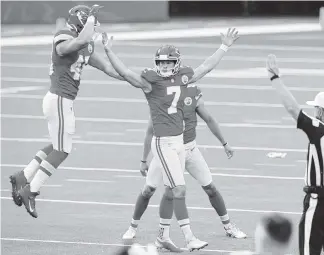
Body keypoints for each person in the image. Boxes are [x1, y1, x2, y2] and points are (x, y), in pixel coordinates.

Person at [101, 28, 239, 251]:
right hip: (164, 143)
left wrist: (224, 47)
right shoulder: (150, 83)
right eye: (161, 63)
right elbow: (126, 73)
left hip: (180, 143)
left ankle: (163, 236)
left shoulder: (183, 78)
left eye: (168, 63)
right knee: (177, 190)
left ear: (176, 63)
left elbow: (205, 67)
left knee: (171, 190)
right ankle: (188, 237)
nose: (164, 66)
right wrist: (108, 51)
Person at [10, 4, 127, 218]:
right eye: (89, 23)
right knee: (63, 150)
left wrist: (131, 76)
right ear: (80, 21)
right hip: (59, 99)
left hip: (62, 101)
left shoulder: (85, 45)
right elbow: (78, 41)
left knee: (57, 145)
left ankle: (23, 176)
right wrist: (91, 18)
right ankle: (31, 190)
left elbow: (109, 69)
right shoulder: (64, 36)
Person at [122, 85, 247, 251]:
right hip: (168, 150)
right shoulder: (161, 95)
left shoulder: (192, 93)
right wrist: (143, 159)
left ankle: (228, 226)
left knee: (210, 187)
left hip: (189, 149)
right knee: (150, 190)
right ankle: (133, 227)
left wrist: (225, 143)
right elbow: (150, 130)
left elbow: (209, 119)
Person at [266, 55, 324, 255]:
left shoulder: (320, 131)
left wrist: (275, 79)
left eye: (316, 109)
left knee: (308, 250)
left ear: (321, 112)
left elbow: (292, 108)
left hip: (319, 202)